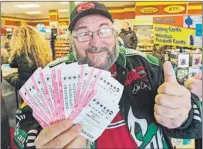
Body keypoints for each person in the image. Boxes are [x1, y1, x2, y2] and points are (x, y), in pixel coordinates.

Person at [14, 2, 202, 149]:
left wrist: (185, 116)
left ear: (114, 34)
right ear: (72, 40)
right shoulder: (53, 75)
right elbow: (22, 124)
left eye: (104, 30)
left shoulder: (148, 65)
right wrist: (37, 142)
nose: (96, 42)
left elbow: (194, 127)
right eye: (83, 33)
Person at [4, 25, 52, 90]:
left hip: (30, 96)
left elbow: (24, 85)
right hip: (43, 90)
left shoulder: (23, 55)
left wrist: (9, 77)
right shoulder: (41, 52)